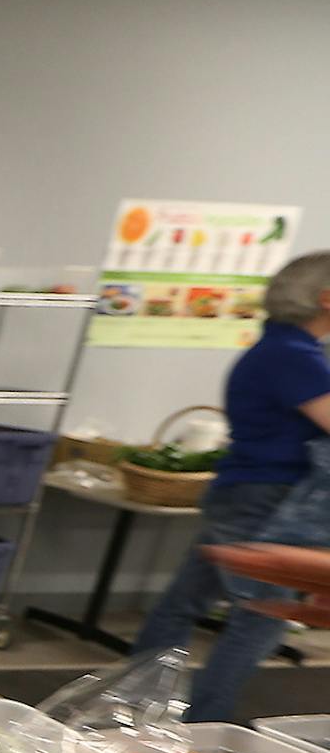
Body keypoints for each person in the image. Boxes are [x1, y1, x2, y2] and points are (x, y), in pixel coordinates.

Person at [134, 251, 330, 721]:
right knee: (262, 615)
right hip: (266, 499)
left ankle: (136, 705)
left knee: (184, 603)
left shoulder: (279, 350)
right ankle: (204, 721)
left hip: (243, 492)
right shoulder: (294, 356)